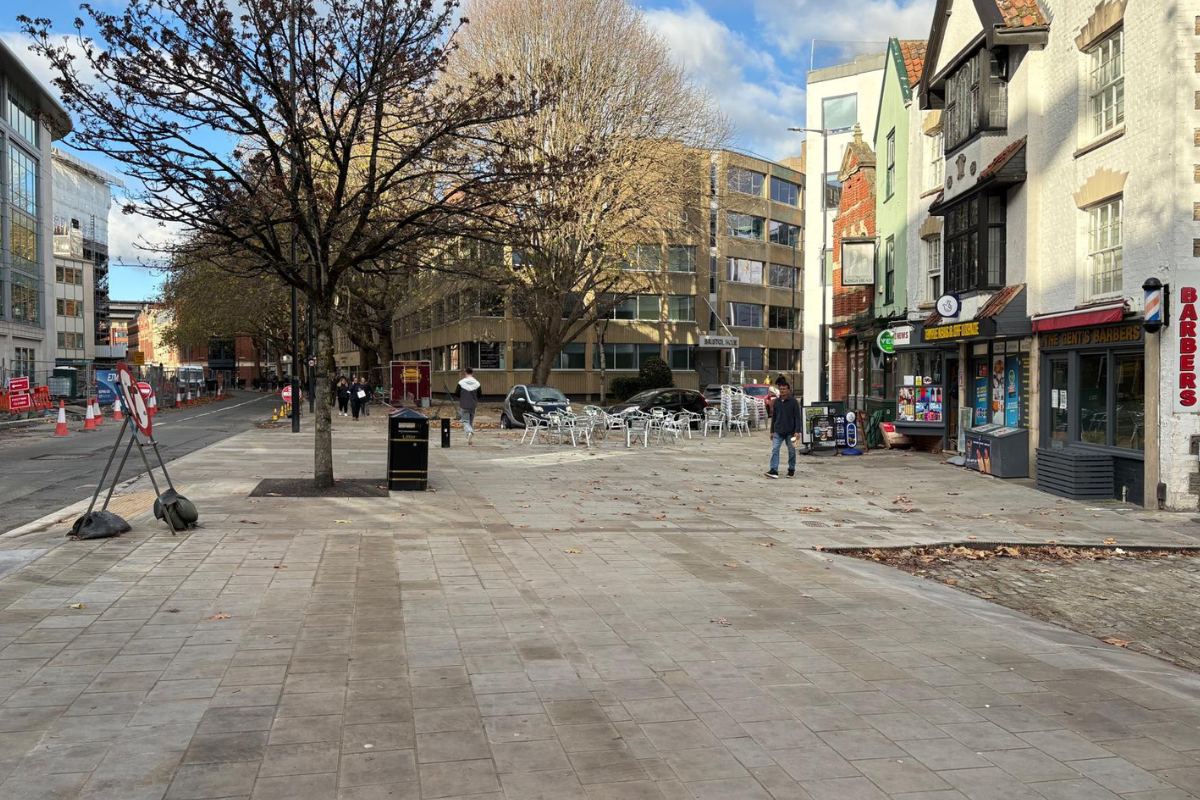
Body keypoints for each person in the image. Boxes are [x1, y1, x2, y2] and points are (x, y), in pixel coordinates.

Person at [765, 379, 800, 479]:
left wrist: (797, 431)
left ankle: (791, 470)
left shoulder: (794, 402)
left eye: (784, 389)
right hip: (778, 431)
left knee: (792, 450)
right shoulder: (776, 402)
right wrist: (772, 431)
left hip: (792, 433)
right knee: (775, 449)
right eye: (781, 389)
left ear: (788, 390)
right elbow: (774, 417)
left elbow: (797, 417)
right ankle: (773, 470)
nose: (782, 391)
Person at [455, 368, 482, 444]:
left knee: (465, 421)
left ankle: (469, 432)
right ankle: (470, 436)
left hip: (464, 404)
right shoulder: (477, 383)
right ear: (472, 373)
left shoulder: (461, 383)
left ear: (465, 373)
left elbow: (457, 393)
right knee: (471, 421)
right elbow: (480, 394)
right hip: (473, 404)